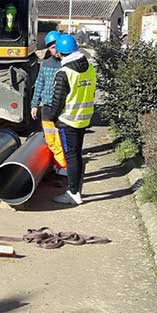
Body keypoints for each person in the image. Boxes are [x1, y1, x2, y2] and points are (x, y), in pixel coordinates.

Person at [42, 34, 96, 205]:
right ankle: (75, 190)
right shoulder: (90, 68)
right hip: (83, 119)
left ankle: (73, 193)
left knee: (71, 157)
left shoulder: (64, 73)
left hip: (68, 121)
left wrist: (51, 116)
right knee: (77, 155)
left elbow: (57, 101)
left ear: (61, 51)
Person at [30, 31, 67, 170]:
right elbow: (39, 84)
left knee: (62, 140)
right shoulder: (45, 64)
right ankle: (54, 165)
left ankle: (62, 168)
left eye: (57, 46)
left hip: (63, 108)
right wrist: (34, 105)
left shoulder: (67, 65)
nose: (55, 49)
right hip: (47, 107)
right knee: (51, 139)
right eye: (51, 47)